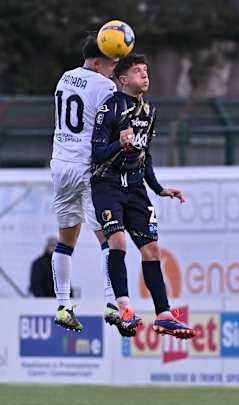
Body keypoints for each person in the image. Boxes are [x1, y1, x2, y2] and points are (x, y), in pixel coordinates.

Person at [90, 53, 195, 339]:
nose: (145, 75)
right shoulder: (109, 109)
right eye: (138, 71)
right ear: (123, 79)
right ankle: (123, 308)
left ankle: (164, 315)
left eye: (146, 71)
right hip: (107, 185)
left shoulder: (149, 111)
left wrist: (159, 188)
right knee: (118, 241)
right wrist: (117, 145)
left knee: (152, 251)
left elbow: (145, 156)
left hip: (136, 188)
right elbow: (96, 154)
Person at [50, 35, 135, 336]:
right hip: (87, 168)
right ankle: (113, 303)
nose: (115, 65)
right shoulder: (106, 87)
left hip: (61, 165)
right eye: (112, 59)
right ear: (98, 60)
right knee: (109, 239)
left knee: (65, 242)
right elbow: (111, 128)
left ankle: (63, 306)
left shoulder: (65, 77)